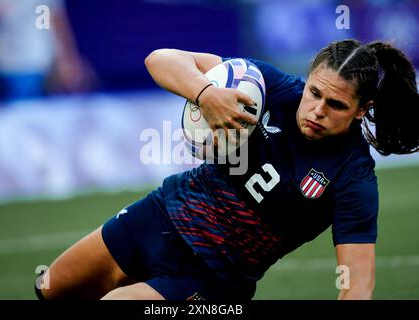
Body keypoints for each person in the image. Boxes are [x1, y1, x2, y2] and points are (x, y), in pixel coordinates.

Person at [35, 39, 419, 300]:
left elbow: (357, 284)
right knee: (50, 287)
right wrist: (205, 93)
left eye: (335, 105)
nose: (317, 110)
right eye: (314, 93)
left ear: (362, 109)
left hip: (212, 278)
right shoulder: (269, 86)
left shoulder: (354, 178)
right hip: (160, 215)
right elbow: (160, 59)